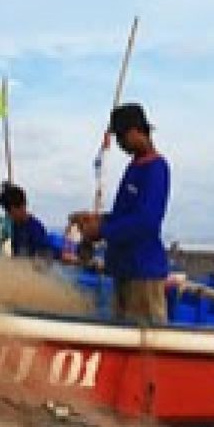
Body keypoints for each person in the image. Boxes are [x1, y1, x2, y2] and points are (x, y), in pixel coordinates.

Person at [71, 103, 170, 324]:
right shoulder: (134, 166)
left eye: (122, 137)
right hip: (123, 269)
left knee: (145, 342)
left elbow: (147, 222)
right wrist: (97, 220)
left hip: (143, 273)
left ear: (136, 130)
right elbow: (124, 215)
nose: (120, 144)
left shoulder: (156, 168)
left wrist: (103, 229)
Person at [0, 182, 52, 258]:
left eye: (10, 211)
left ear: (22, 206)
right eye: (7, 211)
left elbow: (44, 261)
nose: (9, 215)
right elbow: (15, 256)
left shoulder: (35, 230)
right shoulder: (16, 225)